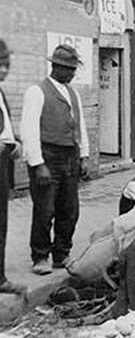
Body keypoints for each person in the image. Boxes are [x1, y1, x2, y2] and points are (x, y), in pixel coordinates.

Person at [20, 44, 89, 275]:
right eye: (68, 69)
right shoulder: (36, 91)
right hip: (47, 155)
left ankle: (62, 253)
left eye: (73, 69)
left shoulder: (73, 93)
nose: (72, 73)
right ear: (56, 66)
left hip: (70, 155)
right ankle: (40, 256)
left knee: (69, 209)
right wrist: (38, 164)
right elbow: (28, 130)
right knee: (45, 209)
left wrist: (84, 156)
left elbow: (80, 126)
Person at [0, 39, 26, 293]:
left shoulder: (1, 92)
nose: (4, 70)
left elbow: (5, 128)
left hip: (3, 165)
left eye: (6, 65)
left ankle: (0, 278)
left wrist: (14, 140)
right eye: (0, 65)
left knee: (2, 223)